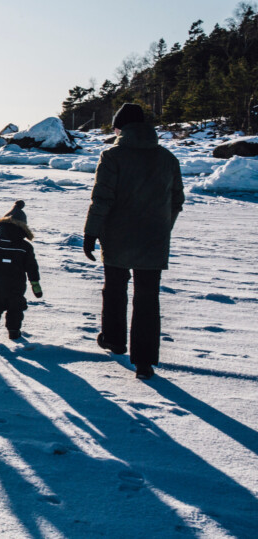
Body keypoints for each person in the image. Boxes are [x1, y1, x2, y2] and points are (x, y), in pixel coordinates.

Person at [84, 103, 184, 380]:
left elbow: (102, 199)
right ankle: (144, 362)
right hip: (154, 238)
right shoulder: (167, 158)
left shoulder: (112, 155)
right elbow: (177, 200)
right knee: (147, 298)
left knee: (115, 288)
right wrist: (164, 227)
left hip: (117, 237)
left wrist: (91, 232)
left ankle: (115, 340)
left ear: (121, 127)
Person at [0, 200, 42, 340]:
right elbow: (31, 266)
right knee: (15, 306)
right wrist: (35, 284)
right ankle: (14, 331)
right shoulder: (25, 247)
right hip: (16, 284)